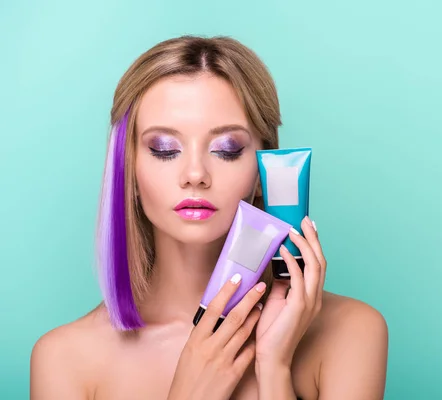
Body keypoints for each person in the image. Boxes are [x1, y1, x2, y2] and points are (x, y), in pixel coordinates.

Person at [30, 35, 389, 400]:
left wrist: (275, 368)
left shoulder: (350, 332)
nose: (195, 173)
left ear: (263, 171)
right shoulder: (65, 359)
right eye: (164, 150)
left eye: (227, 150)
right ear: (130, 173)